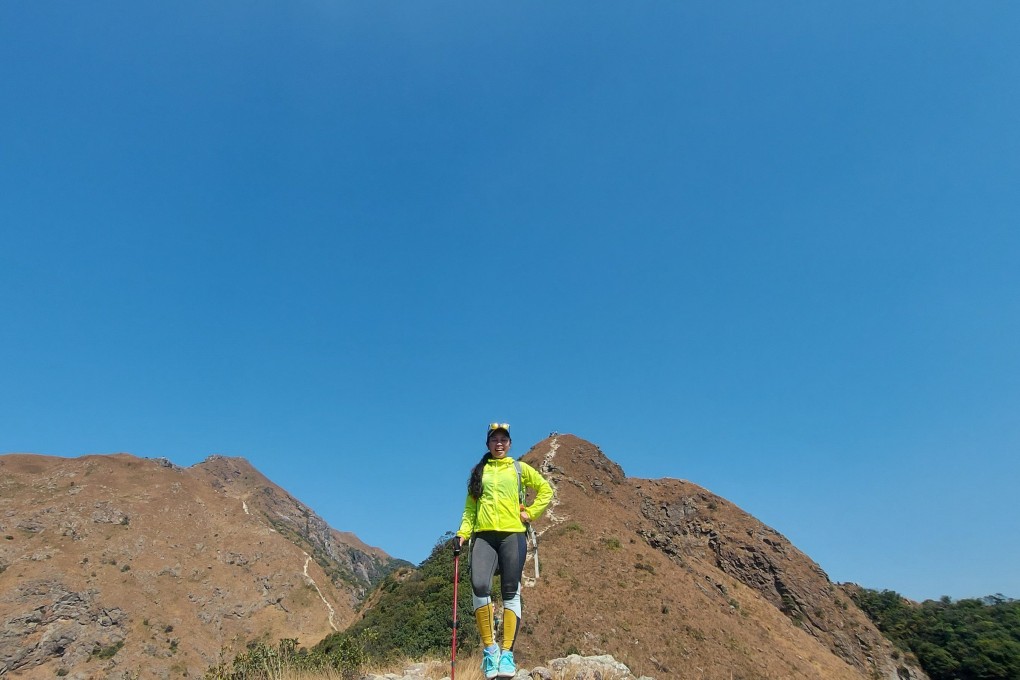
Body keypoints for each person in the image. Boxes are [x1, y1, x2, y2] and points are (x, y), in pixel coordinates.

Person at [453, 423, 553, 679]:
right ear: (487, 444)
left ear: (509, 444)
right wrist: (462, 534)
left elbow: (546, 490)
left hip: (512, 535)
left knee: (511, 591)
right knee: (479, 586)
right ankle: (490, 650)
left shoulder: (519, 469)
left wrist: (529, 513)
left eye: (504, 439)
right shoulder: (479, 472)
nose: (499, 443)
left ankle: (507, 653)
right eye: (494, 439)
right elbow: (470, 510)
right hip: (484, 536)